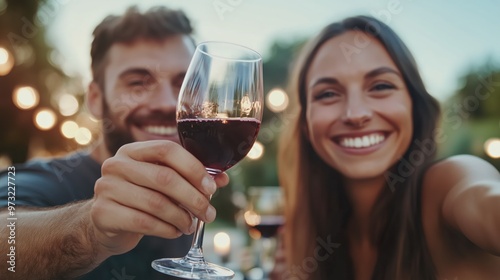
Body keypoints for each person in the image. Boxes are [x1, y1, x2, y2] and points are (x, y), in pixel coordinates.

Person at [0, 6, 229, 280]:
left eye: (185, 85)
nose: (168, 103)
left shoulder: (188, 198)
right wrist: (89, 231)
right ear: (96, 98)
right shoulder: (45, 179)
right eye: (138, 83)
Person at [274, 15, 500, 279]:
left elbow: (485, 202)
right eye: (327, 93)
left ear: (414, 106)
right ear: (305, 125)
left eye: (380, 86)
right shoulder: (310, 238)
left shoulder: (450, 181)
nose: (355, 114)